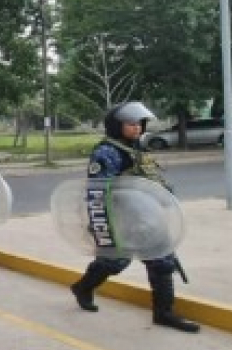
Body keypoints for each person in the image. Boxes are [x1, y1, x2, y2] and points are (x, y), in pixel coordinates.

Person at [70, 101, 200, 333]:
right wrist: (102, 225)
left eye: (139, 123)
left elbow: (149, 180)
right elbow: (98, 191)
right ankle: (83, 287)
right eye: (131, 124)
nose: (137, 128)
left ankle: (164, 313)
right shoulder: (106, 153)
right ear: (116, 125)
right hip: (122, 218)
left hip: (147, 215)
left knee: (162, 261)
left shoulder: (137, 148)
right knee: (114, 262)